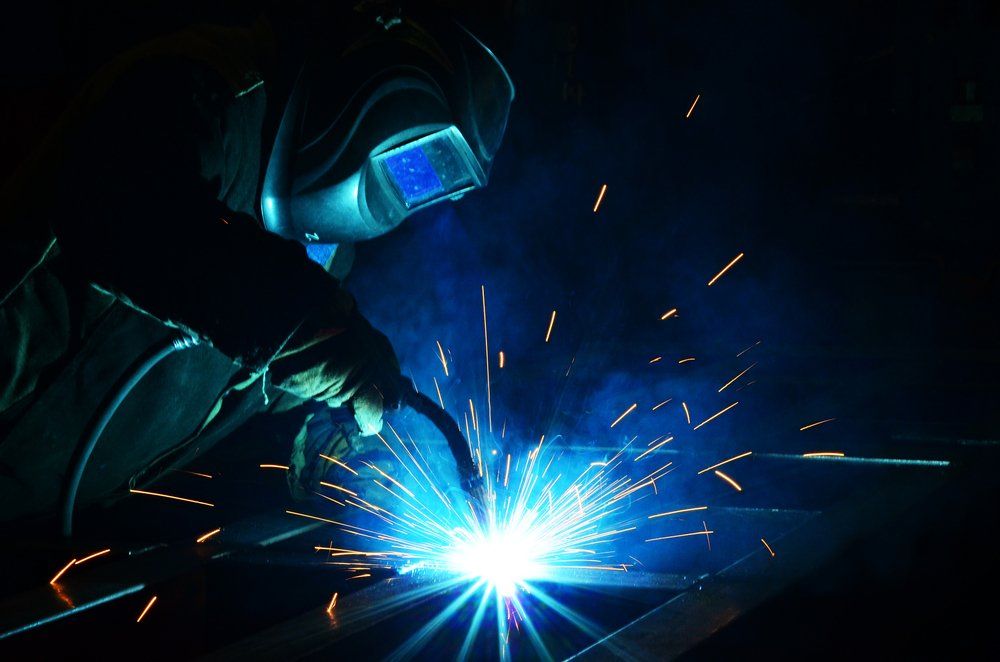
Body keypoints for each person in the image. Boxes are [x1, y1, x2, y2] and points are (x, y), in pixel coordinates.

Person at [0, 5, 513, 525]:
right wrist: (308, 333)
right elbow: (123, 213)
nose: (406, 190)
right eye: (413, 161)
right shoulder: (208, 89)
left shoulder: (324, 255)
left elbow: (252, 375)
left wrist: (336, 434)